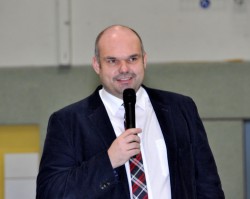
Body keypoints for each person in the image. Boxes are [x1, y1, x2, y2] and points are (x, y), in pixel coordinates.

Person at [36, 25, 225, 199]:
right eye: (112, 61)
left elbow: (208, 185)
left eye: (132, 59)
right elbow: (50, 193)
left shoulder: (180, 108)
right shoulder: (68, 122)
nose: (124, 69)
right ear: (96, 65)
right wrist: (108, 160)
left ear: (144, 60)